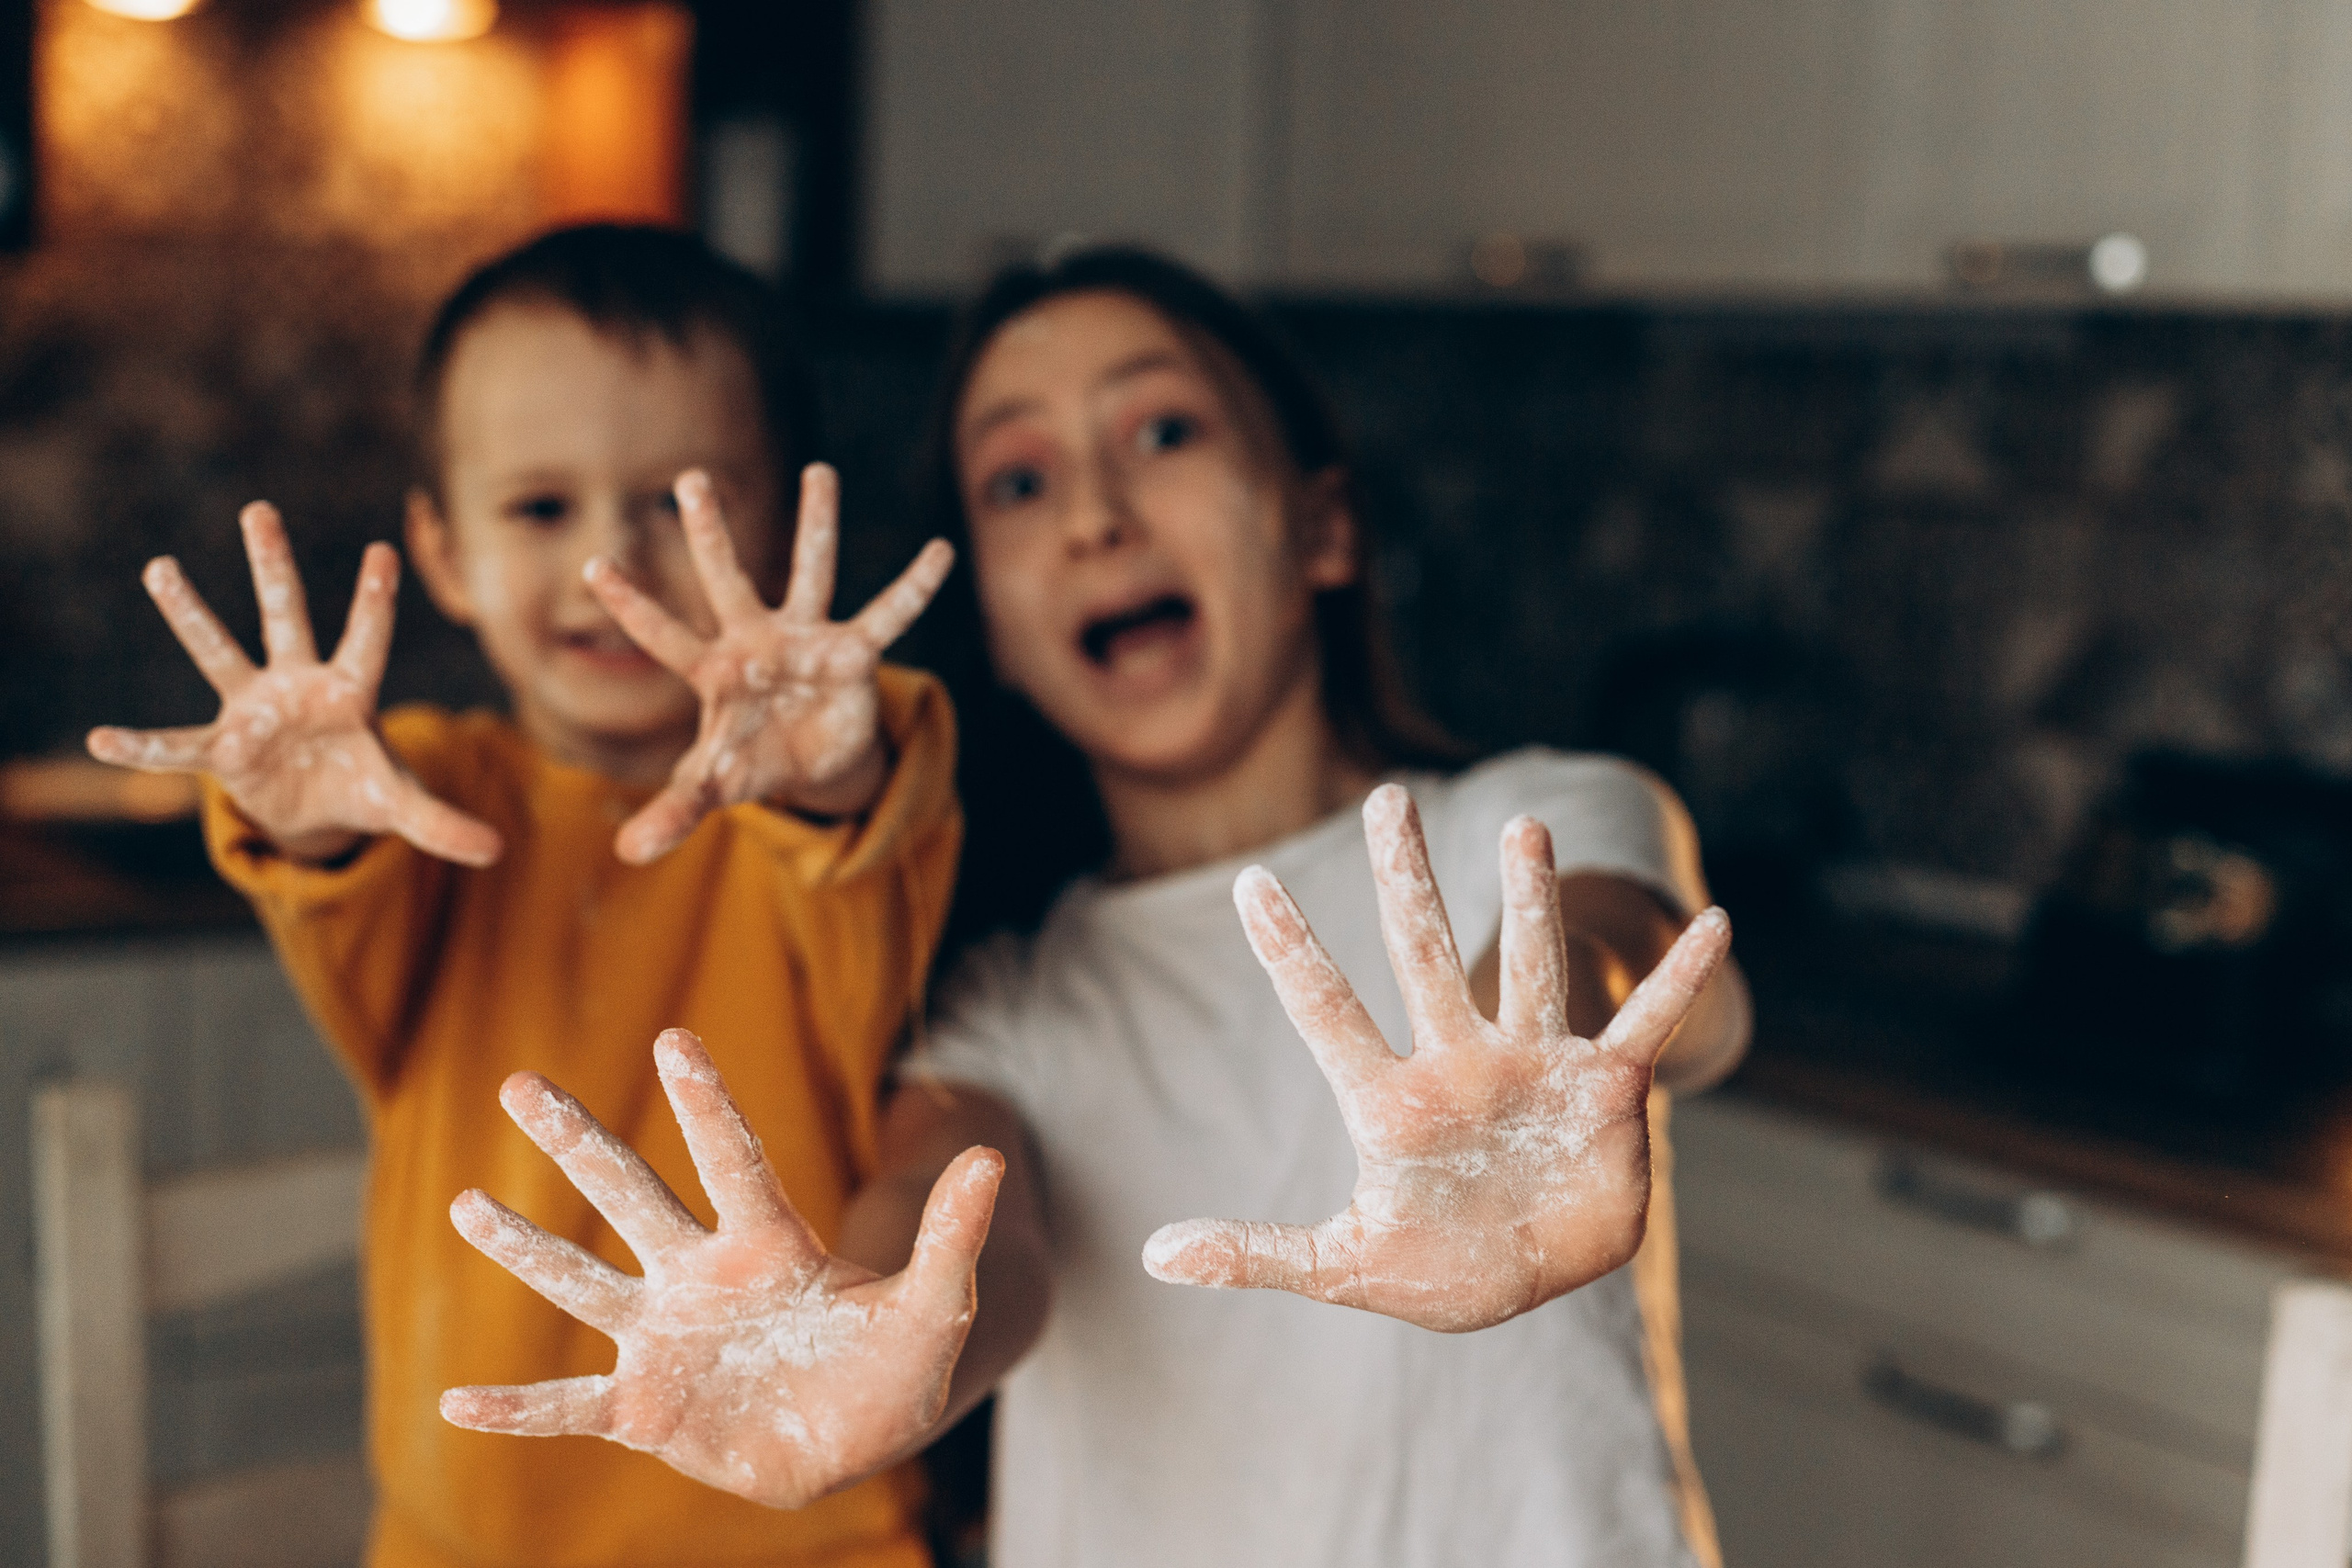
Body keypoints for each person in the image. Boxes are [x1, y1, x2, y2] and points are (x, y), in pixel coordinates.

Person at [436, 247, 1752, 1567]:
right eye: (1020, 481)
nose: (1094, 516)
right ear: (1000, 628)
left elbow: (1620, 962)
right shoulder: (1009, 1005)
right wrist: (862, 1342)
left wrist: (1539, 1082)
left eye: (1161, 431)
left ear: (1322, 520)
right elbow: (956, 1240)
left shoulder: (1530, 820)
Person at [85, 225, 965, 1568]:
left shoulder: (834, 785)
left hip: (810, 1542)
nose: (611, 563)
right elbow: (330, 865)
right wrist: (298, 806)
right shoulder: (423, 797)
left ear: (780, 526)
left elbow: (860, 808)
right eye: (541, 508)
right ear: (441, 551)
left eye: (683, 505)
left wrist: (827, 762)